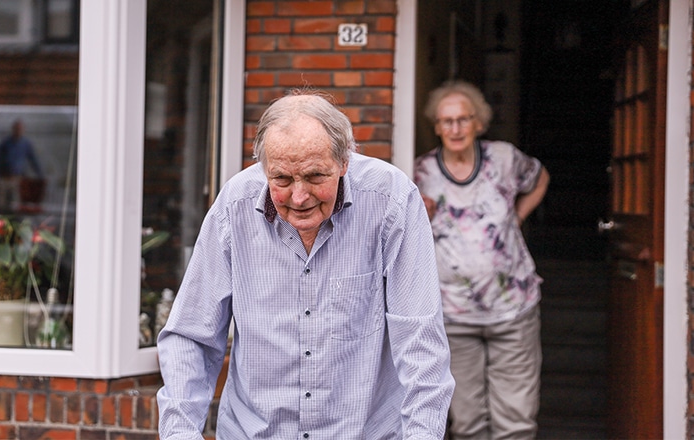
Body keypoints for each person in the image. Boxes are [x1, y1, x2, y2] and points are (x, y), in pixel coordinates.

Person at [157, 90, 455, 439]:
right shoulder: (234, 207)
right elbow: (191, 336)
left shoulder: (391, 202)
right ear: (263, 166)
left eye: (315, 177)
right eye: (281, 179)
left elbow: (421, 344)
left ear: (345, 161)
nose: (299, 197)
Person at [413, 80, 550, 440]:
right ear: (437, 127)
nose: (455, 128)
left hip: (513, 310)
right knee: (468, 423)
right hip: (454, 315)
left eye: (463, 119)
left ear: (479, 122)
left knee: (516, 424)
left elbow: (540, 178)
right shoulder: (421, 173)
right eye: (447, 121)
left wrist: (517, 217)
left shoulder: (504, 158)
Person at [0, 119, 43, 212]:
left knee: (16, 203)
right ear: (13, 129)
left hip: (17, 178)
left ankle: (14, 221)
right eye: (16, 129)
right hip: (4, 177)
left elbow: (33, 159)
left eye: (20, 129)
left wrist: (39, 174)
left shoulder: (25, 144)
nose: (18, 131)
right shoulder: (6, 143)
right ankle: (0, 221)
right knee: (0, 203)